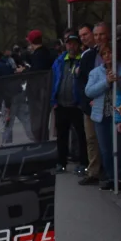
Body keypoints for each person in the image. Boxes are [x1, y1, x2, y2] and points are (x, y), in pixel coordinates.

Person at [85, 43, 121, 190]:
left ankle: (120, 178)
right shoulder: (95, 72)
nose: (108, 56)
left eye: (110, 53)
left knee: (119, 148)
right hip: (101, 115)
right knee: (105, 149)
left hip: (117, 114)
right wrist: (106, 82)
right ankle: (111, 177)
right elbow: (89, 91)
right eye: (104, 54)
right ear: (101, 57)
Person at [51, 33, 88, 174]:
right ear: (65, 45)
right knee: (62, 135)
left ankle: (83, 162)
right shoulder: (60, 60)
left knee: (81, 135)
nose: (71, 46)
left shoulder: (82, 59)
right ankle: (61, 162)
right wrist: (53, 100)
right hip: (61, 104)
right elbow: (54, 80)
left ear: (78, 45)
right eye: (69, 43)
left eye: (74, 43)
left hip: (76, 105)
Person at [77, 23, 101, 185]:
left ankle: (108, 171)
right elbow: (81, 81)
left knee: (103, 138)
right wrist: (85, 102)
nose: (84, 38)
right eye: (81, 36)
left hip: (102, 101)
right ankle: (94, 171)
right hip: (88, 104)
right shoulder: (86, 55)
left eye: (86, 34)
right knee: (91, 139)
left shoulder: (103, 53)